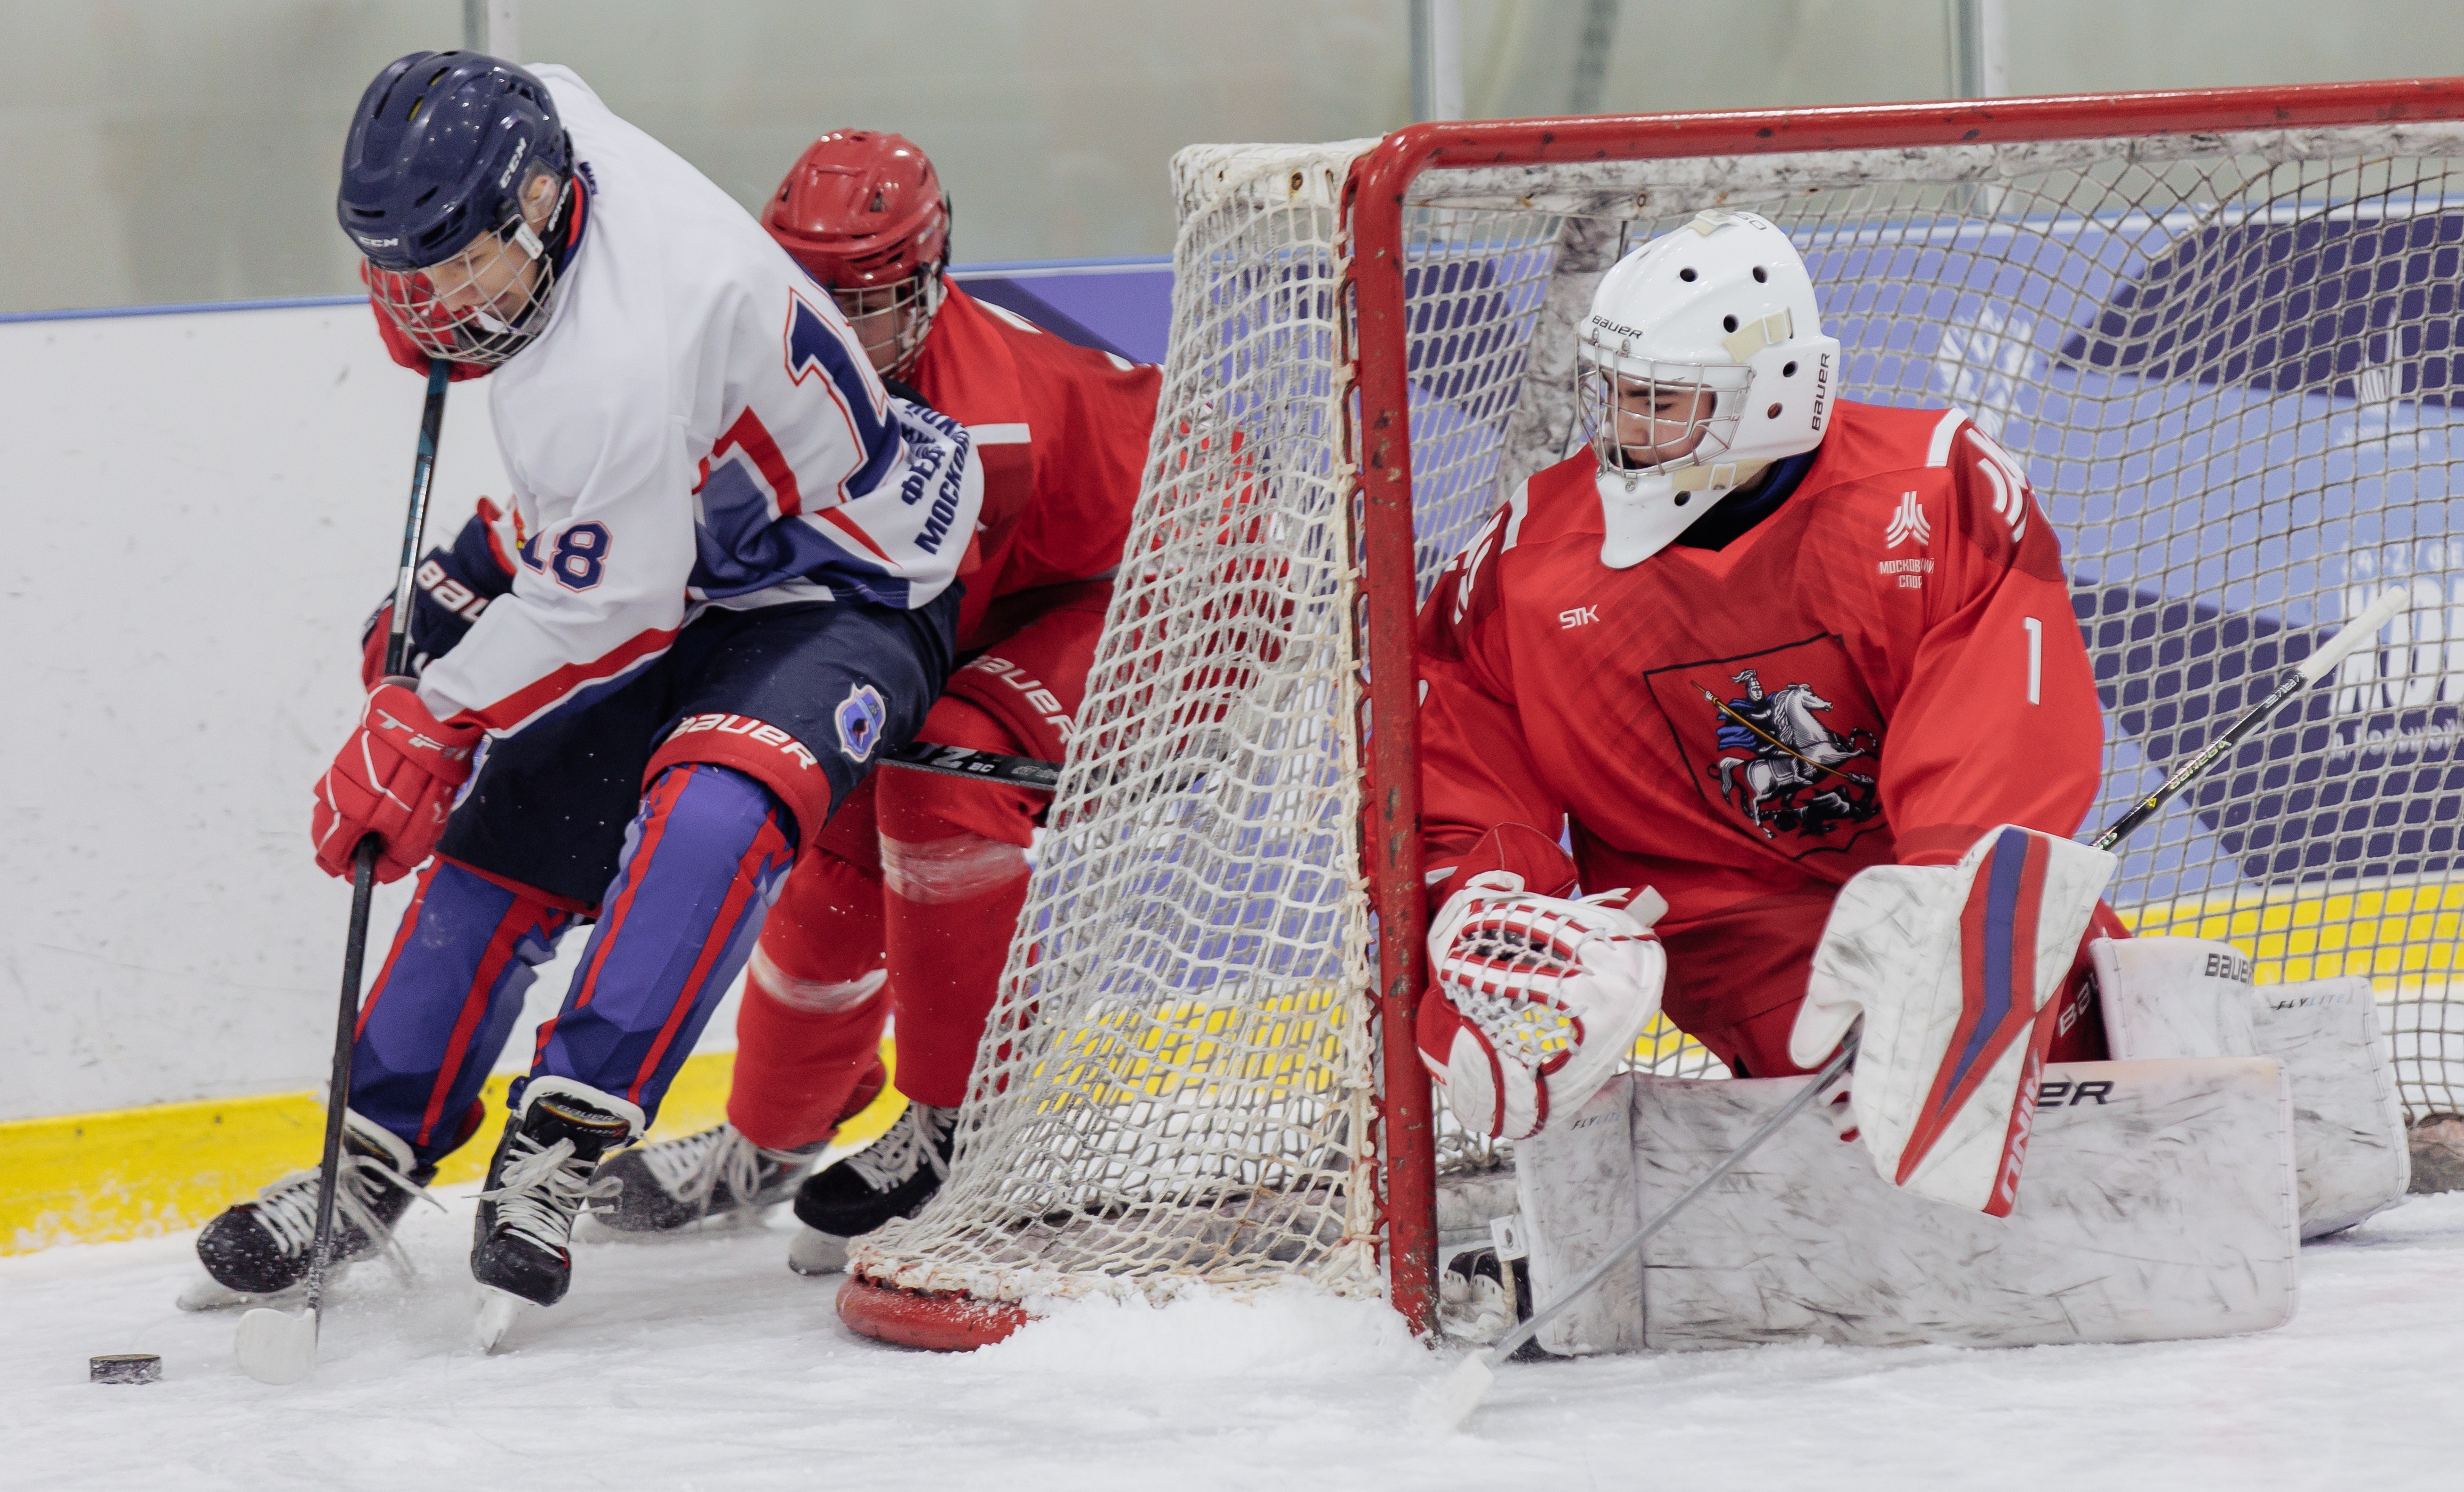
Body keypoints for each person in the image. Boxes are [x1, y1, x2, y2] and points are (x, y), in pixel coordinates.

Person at [185, 55, 980, 1320]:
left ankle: (562, 1137)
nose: (436, 302)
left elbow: (616, 606)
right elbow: (617, 516)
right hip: (704, 540)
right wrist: (474, 573)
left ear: (549, 201)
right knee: (512, 829)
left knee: (721, 801)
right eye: (410, 269)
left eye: (462, 267)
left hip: (848, 576)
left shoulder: (614, 354)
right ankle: (372, 1153)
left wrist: (432, 711)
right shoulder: (542, 122)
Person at [1412, 209, 2121, 1206]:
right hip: (1734, 923)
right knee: (1853, 1120)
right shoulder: (1523, 563)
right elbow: (1457, 738)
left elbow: (2000, 727)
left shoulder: (1931, 489)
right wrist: (1487, 904)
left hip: (1928, 888)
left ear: (1775, 394)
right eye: (1611, 397)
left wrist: (1939, 927)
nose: (1622, 432)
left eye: (1660, 403)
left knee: (2097, 1039)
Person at [585, 131, 1159, 1270]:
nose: (840, 330)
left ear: (933, 284)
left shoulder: (981, 426)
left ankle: (961, 1122)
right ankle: (772, 1138)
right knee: (833, 836)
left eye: (872, 301)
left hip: (1178, 579)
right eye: (812, 295)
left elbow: (925, 632)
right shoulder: (754, 377)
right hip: (1012, 605)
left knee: (943, 773)